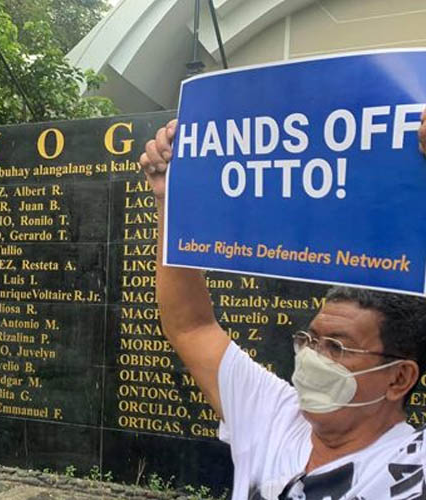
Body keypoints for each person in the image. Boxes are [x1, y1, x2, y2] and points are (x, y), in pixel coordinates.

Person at [138, 109, 426, 499]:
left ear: (399, 378)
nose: (312, 359)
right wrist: (170, 203)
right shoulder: (274, 416)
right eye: (310, 340)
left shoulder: (412, 467)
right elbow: (191, 327)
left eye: (337, 347)